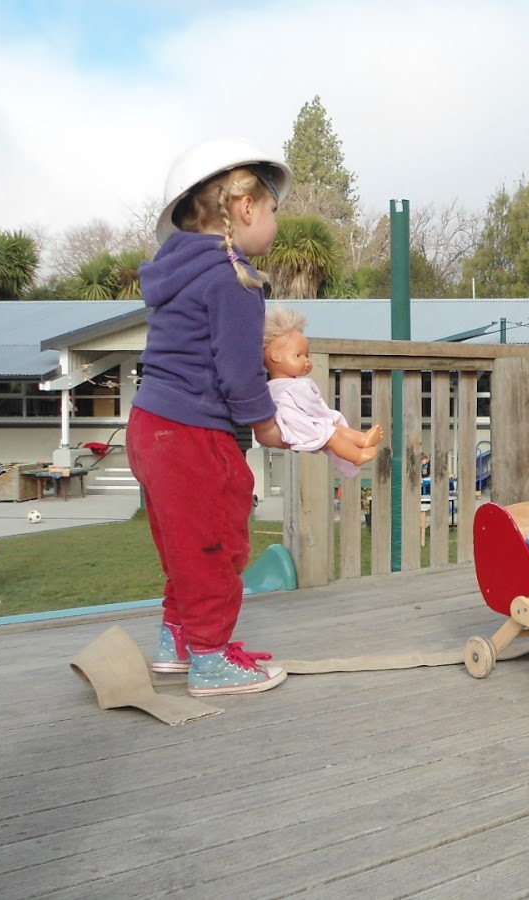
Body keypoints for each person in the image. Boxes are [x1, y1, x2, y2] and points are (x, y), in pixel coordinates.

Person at [129, 138, 294, 697]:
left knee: (182, 542)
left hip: (151, 425)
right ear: (245, 207)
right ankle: (210, 658)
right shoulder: (235, 279)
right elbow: (239, 372)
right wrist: (267, 425)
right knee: (217, 546)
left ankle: (177, 641)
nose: (274, 222)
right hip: (194, 433)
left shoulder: (175, 271)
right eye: (273, 210)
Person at [262, 305, 384, 479]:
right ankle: (357, 456)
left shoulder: (270, 386)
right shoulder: (298, 386)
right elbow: (313, 407)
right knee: (332, 433)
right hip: (300, 425)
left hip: (289, 425)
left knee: (332, 430)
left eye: (307, 356)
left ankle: (362, 440)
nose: (306, 361)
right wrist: (326, 419)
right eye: (299, 356)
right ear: (276, 357)